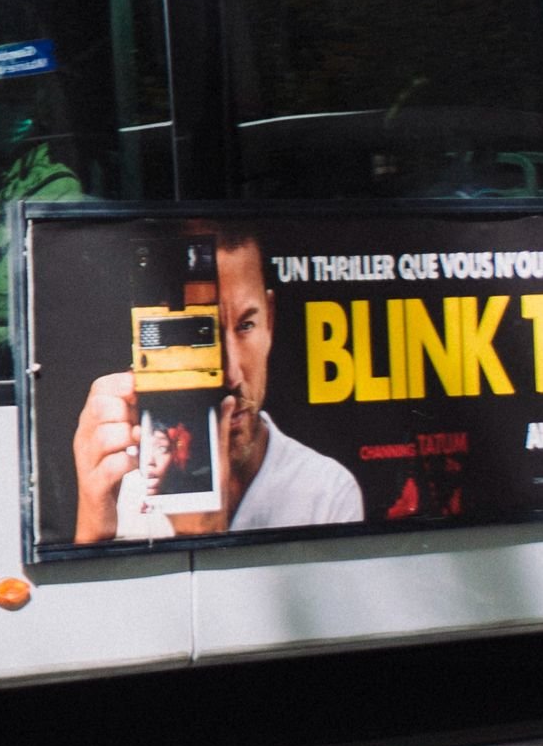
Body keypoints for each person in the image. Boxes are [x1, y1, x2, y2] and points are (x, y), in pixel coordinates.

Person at [68, 222, 367, 543]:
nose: (231, 375)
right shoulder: (126, 472)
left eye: (246, 325)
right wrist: (91, 520)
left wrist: (200, 537)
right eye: (200, 332)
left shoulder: (327, 492)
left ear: (270, 319)